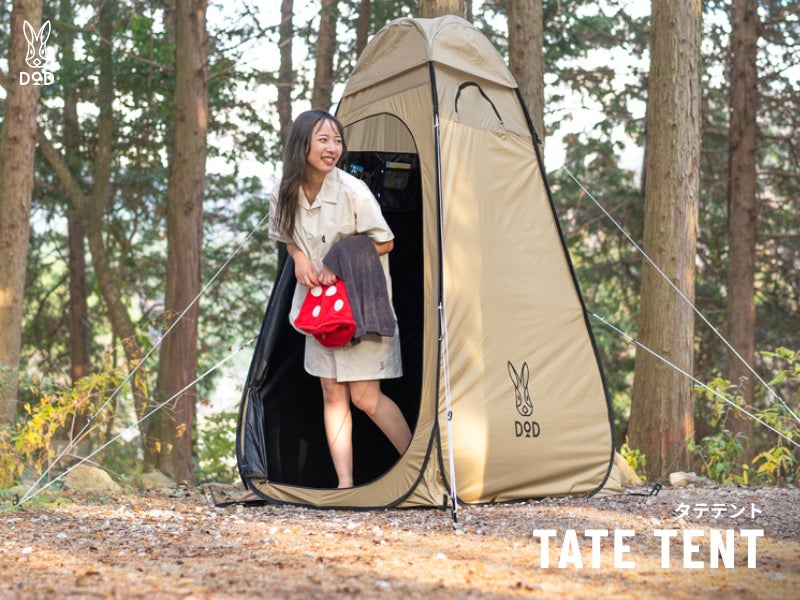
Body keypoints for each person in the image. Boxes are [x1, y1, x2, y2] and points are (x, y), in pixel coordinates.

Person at [268, 109, 412, 488]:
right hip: (319, 311)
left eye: (336, 140)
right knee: (332, 394)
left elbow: (386, 241)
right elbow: (288, 238)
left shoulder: (352, 191)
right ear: (302, 144)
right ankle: (344, 485)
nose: (332, 148)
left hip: (359, 305)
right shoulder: (284, 192)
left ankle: (418, 471)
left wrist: (339, 258)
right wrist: (298, 257)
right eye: (323, 139)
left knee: (366, 397)